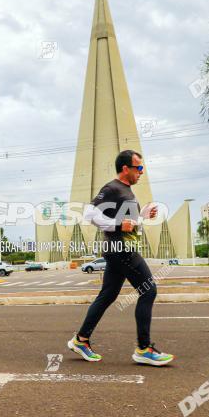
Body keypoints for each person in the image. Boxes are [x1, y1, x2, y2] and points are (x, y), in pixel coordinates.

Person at [67, 150, 175, 366]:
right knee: (148, 290)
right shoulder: (112, 188)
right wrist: (117, 225)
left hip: (120, 247)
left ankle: (81, 339)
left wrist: (142, 216)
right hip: (121, 249)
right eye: (139, 168)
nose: (142, 173)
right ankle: (144, 348)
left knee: (108, 295)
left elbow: (128, 223)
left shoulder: (126, 191)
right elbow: (89, 214)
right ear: (126, 168)